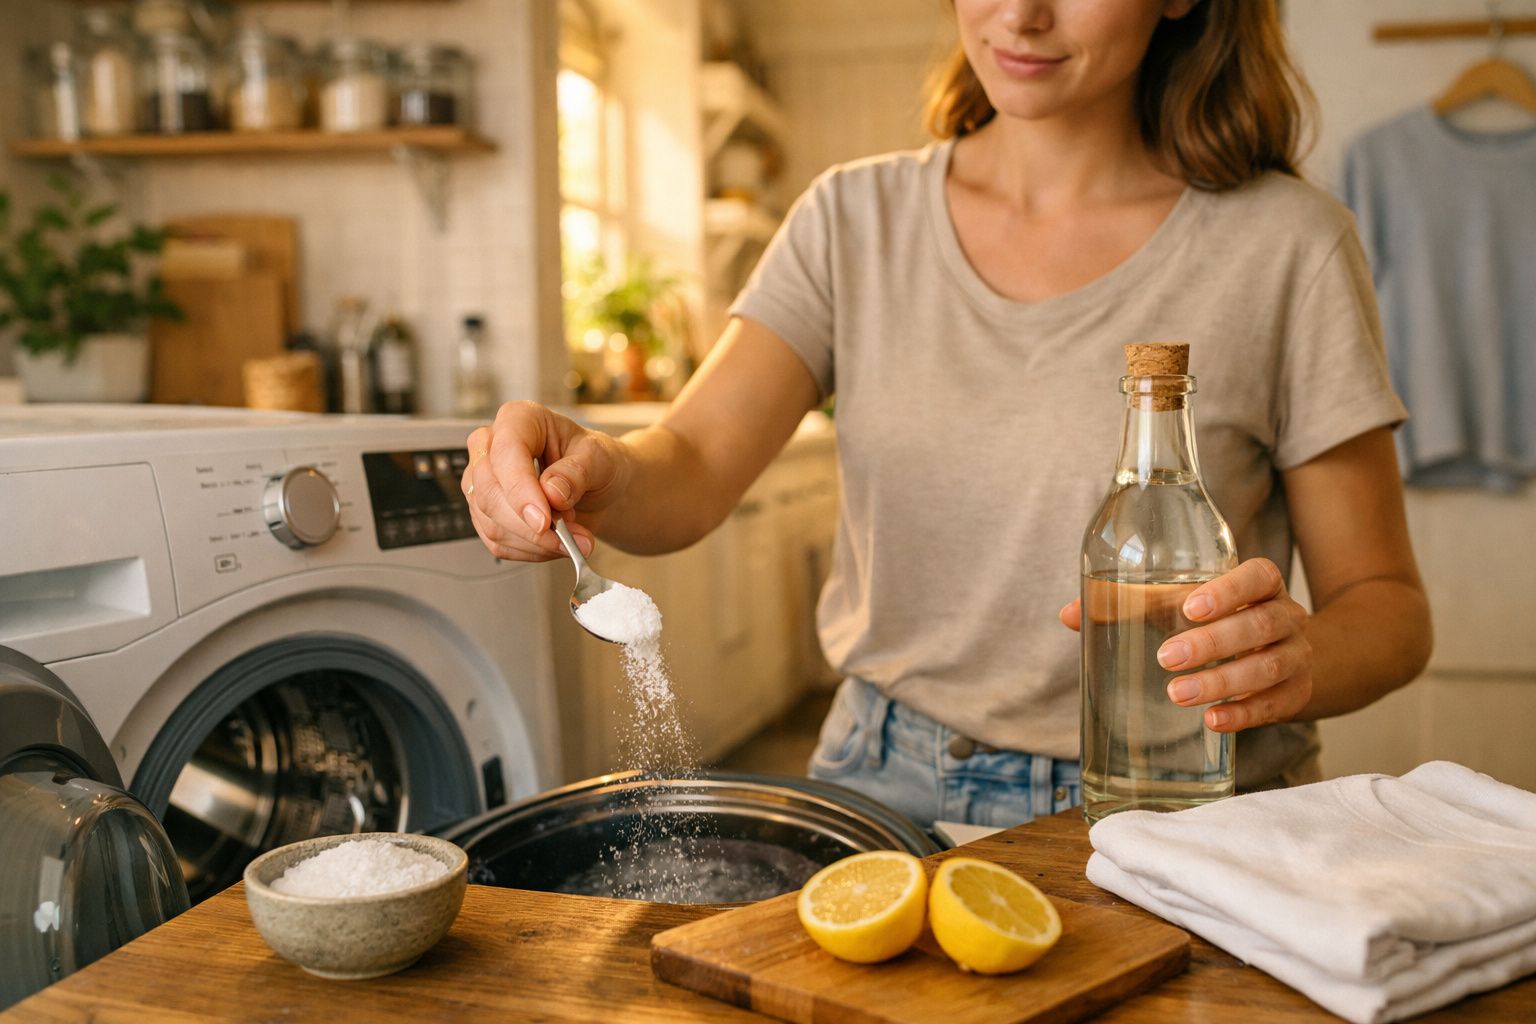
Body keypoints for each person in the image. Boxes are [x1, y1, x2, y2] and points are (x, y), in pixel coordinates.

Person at [461, 0, 1432, 830]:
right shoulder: (852, 220)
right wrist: (594, 466)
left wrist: (1295, 659)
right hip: (886, 792)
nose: (1021, 13)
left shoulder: (1287, 246)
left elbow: (1387, 609)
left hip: (1188, 802)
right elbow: (692, 461)